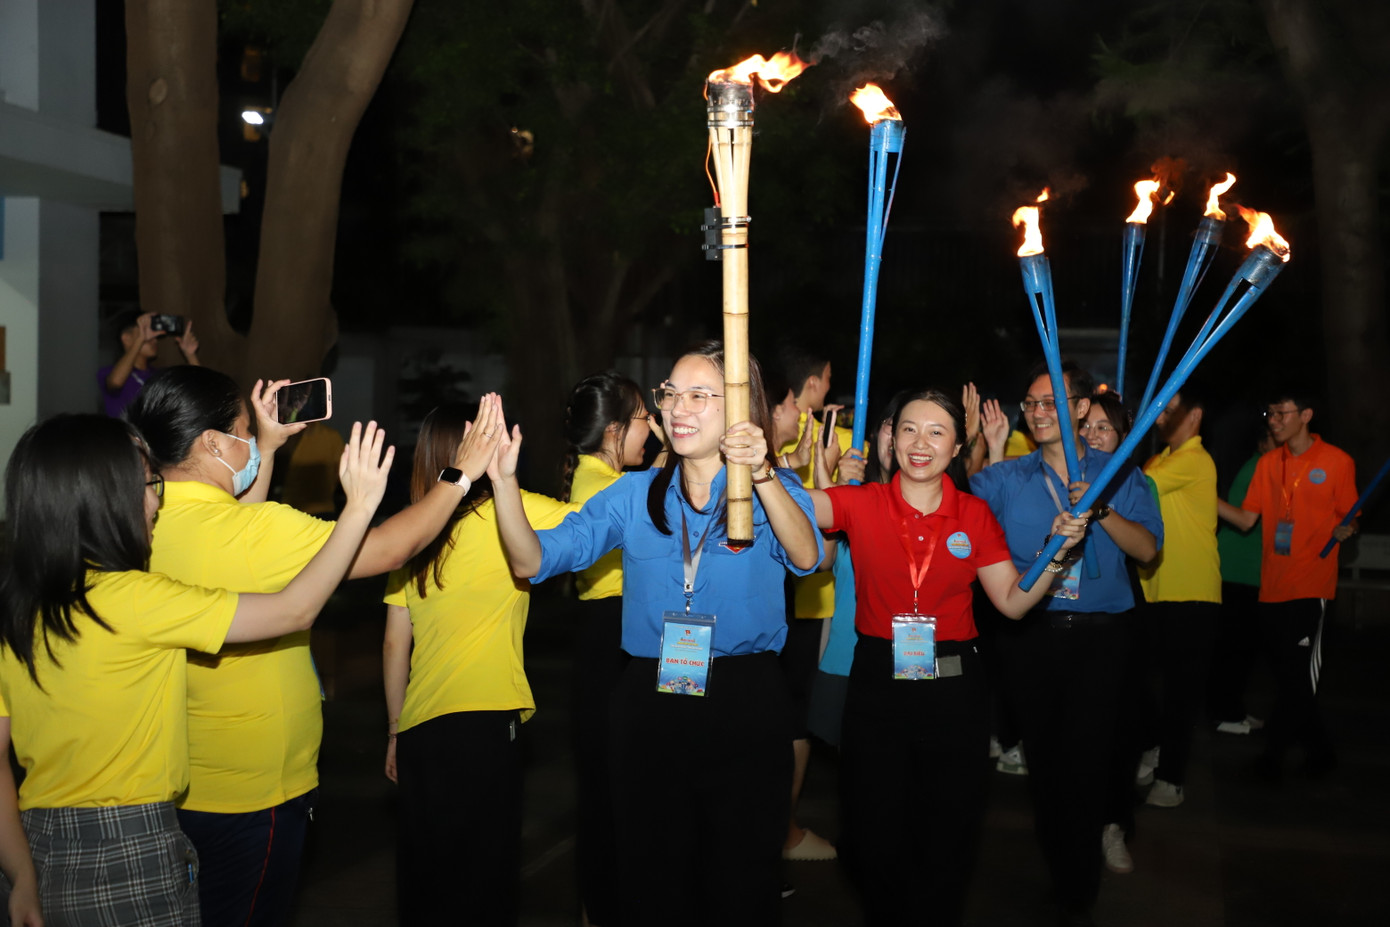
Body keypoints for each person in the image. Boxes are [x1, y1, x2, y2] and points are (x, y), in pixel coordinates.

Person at [123, 367, 503, 927]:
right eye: (241, 433)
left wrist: (268, 449)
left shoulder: (141, 526)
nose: (249, 442)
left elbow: (235, 532)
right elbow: (392, 548)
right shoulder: (260, 533)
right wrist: (460, 474)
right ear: (210, 443)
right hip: (258, 795)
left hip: (180, 786)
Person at [0, 413, 391, 926]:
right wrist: (359, 508)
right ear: (105, 500)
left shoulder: (18, 607)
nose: (157, 500)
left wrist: (21, 874)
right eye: (147, 484)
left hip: (41, 847)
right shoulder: (134, 599)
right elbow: (294, 610)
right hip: (130, 850)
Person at [492, 341, 823, 926]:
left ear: (739, 407)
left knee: (740, 876)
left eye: (700, 395)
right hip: (650, 697)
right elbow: (532, 561)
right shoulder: (631, 494)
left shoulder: (765, 491)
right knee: (652, 874)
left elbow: (807, 556)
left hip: (745, 699)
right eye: (672, 394)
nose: (678, 408)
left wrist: (765, 472)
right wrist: (503, 484)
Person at [805, 389, 1089, 926]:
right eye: (908, 428)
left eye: (937, 432)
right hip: (876, 680)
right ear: (890, 436)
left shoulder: (974, 515)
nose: (920, 442)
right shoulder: (860, 501)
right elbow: (800, 508)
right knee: (869, 827)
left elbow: (1011, 600)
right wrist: (769, 468)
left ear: (957, 446)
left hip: (954, 684)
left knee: (948, 826)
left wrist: (1056, 553)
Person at [975, 360, 1163, 926]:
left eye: (1049, 402)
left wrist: (1100, 509)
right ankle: (1062, 866)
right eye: (1030, 404)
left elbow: (1148, 552)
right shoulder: (1009, 477)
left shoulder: (1123, 474)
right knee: (1047, 760)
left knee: (1089, 757)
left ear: (1082, 409)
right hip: (1032, 635)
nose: (1036, 413)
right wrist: (974, 447)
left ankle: (1079, 883)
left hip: (1103, 639)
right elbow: (952, 497)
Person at [382, 402, 577, 926]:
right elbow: (605, 515)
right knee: (484, 877)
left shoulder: (412, 537)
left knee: (426, 877)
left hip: (421, 727)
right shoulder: (511, 509)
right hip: (487, 722)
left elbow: (396, 644)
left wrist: (396, 730)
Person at [1217, 391, 1356, 780]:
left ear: (1306, 415)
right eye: (1270, 413)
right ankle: (1321, 752)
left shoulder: (1337, 462)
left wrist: (1349, 528)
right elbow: (1246, 520)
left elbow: (1350, 514)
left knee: (1297, 678)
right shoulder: (1266, 464)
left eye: (1281, 413)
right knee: (1289, 679)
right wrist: (1203, 498)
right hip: (1270, 586)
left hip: (1311, 587)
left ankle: (1270, 760)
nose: (1273, 420)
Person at [558, 371, 652, 927]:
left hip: (609, 638)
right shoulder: (608, 489)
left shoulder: (600, 476)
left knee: (609, 793)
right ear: (615, 431)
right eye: (645, 420)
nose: (654, 431)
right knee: (610, 797)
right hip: (610, 640)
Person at [1136, 387, 1221, 809]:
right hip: (1156, 592)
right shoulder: (1161, 460)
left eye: (1169, 411)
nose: (1160, 418)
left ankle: (1172, 778)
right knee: (1142, 681)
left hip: (1192, 594)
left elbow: (1134, 486)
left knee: (1181, 692)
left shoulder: (1194, 460)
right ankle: (1155, 745)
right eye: (1159, 411)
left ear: (1195, 416)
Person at [1209, 425, 1274, 734]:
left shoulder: (1260, 464)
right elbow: (1245, 517)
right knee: (1235, 647)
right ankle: (1225, 714)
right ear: (1264, 443)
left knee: (1241, 647)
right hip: (1239, 568)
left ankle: (1232, 710)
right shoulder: (1262, 464)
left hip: (1246, 568)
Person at [98, 310, 200, 417]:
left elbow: (200, 389)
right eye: (145, 331)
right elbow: (115, 383)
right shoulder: (107, 372)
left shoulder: (159, 375)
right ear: (126, 338)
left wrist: (190, 355)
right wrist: (140, 339)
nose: (154, 339)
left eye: (154, 335)